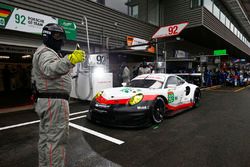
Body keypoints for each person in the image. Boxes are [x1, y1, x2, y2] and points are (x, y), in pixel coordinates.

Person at [32, 23, 85, 167]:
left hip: (48, 101)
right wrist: (71, 59)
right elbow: (50, 69)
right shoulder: (46, 52)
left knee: (46, 140)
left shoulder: (45, 51)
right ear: (48, 36)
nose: (61, 40)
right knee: (56, 141)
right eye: (57, 36)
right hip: (54, 103)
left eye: (61, 36)